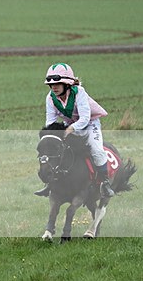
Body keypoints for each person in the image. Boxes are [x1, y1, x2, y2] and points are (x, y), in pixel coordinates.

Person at [35, 63, 114, 199]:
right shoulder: (50, 98)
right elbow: (50, 122)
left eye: (58, 83)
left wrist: (69, 129)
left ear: (67, 84)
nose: (54, 87)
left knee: (96, 150)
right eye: (51, 84)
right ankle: (51, 184)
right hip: (68, 125)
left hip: (90, 124)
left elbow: (84, 118)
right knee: (56, 150)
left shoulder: (79, 93)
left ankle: (105, 183)